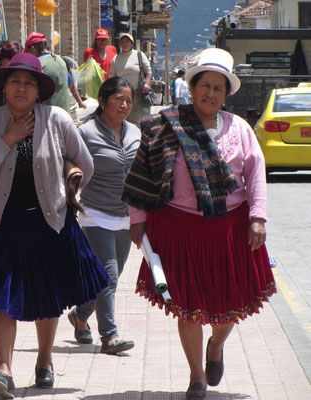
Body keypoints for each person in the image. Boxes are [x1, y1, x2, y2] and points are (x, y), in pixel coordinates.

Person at [0, 53, 109, 399]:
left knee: (46, 296)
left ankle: (45, 361)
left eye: (29, 83)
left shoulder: (57, 119)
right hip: (1, 222)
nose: (21, 88)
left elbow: (86, 164)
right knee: (4, 299)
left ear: (39, 91)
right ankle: (4, 370)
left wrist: (69, 194)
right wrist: (7, 138)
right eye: (15, 82)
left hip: (48, 221)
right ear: (4, 87)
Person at [123, 48, 276, 399]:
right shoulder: (166, 125)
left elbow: (255, 175)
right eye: (204, 85)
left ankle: (217, 345)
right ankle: (196, 377)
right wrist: (138, 220)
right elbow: (143, 173)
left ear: (226, 95)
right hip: (178, 227)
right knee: (188, 305)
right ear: (192, 88)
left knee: (229, 302)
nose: (210, 93)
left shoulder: (239, 129)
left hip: (229, 227)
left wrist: (258, 218)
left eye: (218, 88)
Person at [68, 77, 141, 355]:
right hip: (95, 212)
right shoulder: (86, 133)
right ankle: (109, 337)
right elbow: (69, 165)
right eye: (118, 99)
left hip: (125, 214)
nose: (124, 105)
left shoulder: (135, 132)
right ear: (102, 102)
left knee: (110, 277)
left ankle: (80, 314)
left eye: (128, 101)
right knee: (108, 274)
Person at [109, 33, 152, 128]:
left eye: (127, 42)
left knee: (134, 118)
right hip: (121, 94)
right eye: (122, 42)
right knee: (122, 117)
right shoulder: (116, 59)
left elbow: (148, 70)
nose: (125, 44)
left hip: (136, 93)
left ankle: (135, 140)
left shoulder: (139, 55)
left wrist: (147, 83)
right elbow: (112, 77)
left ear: (131, 44)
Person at [23, 32, 71, 112]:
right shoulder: (60, 60)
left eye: (27, 53)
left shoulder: (39, 64)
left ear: (32, 49)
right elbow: (70, 83)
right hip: (64, 114)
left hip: (47, 116)